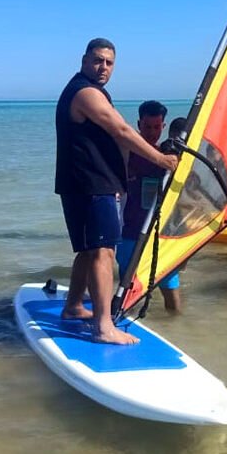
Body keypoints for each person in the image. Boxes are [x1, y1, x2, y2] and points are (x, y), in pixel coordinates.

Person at [55, 39, 179, 344]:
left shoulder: (91, 91)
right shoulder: (85, 92)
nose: (103, 67)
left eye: (109, 63)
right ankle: (103, 326)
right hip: (91, 184)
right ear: (84, 60)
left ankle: (73, 306)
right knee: (104, 252)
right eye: (98, 60)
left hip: (87, 183)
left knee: (89, 250)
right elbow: (121, 130)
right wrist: (161, 159)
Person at [115, 102, 183, 313]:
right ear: (138, 125)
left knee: (171, 292)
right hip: (130, 233)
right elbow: (118, 132)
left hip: (160, 236)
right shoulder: (128, 151)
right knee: (127, 291)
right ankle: (121, 321)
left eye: (156, 127)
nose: (152, 132)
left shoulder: (170, 156)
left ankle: (176, 326)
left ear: (164, 127)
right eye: (147, 127)